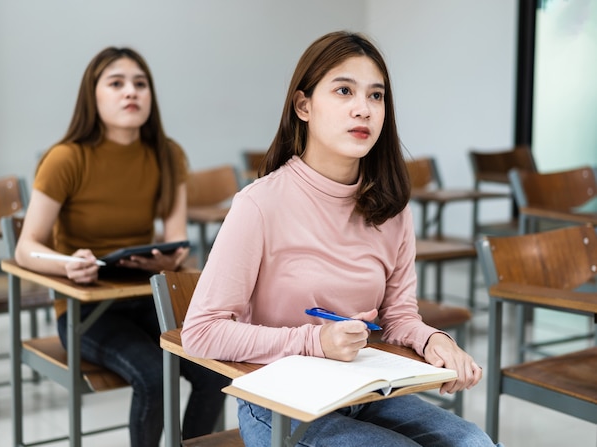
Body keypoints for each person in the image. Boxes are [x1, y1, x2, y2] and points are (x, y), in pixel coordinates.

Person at [181, 31, 502, 446]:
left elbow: (399, 315)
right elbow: (202, 331)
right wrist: (315, 341)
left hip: (364, 389)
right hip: (278, 403)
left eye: (376, 96)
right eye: (344, 91)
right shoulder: (259, 205)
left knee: (473, 442)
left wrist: (435, 339)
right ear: (304, 106)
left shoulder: (392, 207)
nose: (362, 109)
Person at [15, 47, 229, 446]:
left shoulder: (168, 154)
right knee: (152, 376)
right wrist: (65, 264)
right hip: (86, 311)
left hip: (145, 298)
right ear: (92, 97)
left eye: (140, 84)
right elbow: (26, 248)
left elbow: (176, 237)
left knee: (214, 373)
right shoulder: (65, 158)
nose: (131, 92)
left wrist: (171, 257)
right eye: (116, 83)